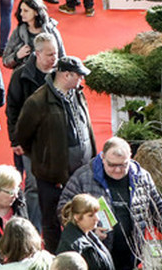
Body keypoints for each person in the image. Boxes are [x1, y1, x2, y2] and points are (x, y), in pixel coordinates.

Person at [58, 137, 162, 270]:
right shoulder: (83, 177)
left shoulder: (142, 177)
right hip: (97, 257)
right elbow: (64, 210)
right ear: (103, 157)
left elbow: (158, 210)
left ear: (130, 158)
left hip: (131, 255)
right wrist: (89, 232)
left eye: (123, 165)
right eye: (112, 165)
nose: (117, 170)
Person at [14, 56, 96, 250]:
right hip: (52, 177)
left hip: (80, 173)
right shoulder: (37, 102)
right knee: (51, 222)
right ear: (67, 75)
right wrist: (45, 159)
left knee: (83, 216)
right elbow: (23, 136)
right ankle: (55, 258)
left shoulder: (77, 94)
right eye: (79, 76)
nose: (82, 80)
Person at [6, 32, 59, 230]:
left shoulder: (60, 73)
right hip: (30, 141)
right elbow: (12, 109)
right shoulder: (21, 75)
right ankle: (34, 229)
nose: (54, 58)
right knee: (33, 186)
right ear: (37, 54)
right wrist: (15, 140)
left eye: (55, 53)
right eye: (49, 55)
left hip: (56, 138)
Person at [3, 0, 66, 69]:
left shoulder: (51, 31)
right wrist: (17, 56)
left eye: (26, 11)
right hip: (23, 76)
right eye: (21, 10)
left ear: (36, 12)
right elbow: (5, 60)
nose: (21, 14)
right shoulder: (19, 31)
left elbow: (62, 59)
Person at [56, 195, 113, 270]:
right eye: (91, 215)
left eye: (96, 213)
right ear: (77, 217)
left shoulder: (90, 236)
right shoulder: (70, 246)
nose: (97, 219)